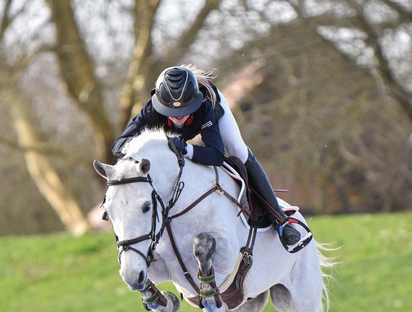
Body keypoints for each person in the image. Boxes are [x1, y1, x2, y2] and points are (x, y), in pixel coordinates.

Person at [112, 65, 306, 251]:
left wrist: (186, 149)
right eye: (173, 112)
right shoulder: (152, 111)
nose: (179, 117)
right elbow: (118, 146)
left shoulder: (205, 107)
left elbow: (216, 155)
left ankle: (280, 221)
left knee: (238, 150)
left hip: (211, 105)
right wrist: (154, 145)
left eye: (185, 110)